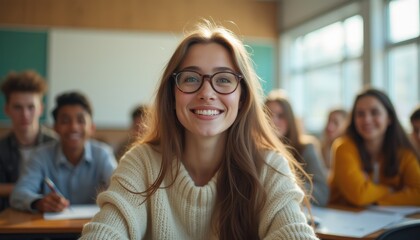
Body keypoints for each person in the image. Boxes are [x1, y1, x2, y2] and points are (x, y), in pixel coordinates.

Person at [80, 21, 318, 239]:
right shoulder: (142, 163)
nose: (207, 92)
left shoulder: (269, 167)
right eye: (191, 78)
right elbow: (107, 230)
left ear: (242, 96)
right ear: (172, 95)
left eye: (224, 79)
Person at [10, 91, 117, 212]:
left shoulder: (103, 154)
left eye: (80, 120)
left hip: (95, 226)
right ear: (55, 127)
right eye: (65, 121)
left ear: (92, 127)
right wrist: (39, 202)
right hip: (53, 229)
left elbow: (120, 189)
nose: (73, 127)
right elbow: (19, 193)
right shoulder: (40, 156)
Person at [329, 88, 420, 207]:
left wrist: (375, 197)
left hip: (391, 221)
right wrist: (391, 190)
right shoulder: (343, 147)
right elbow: (359, 195)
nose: (367, 119)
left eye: (375, 112)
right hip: (343, 219)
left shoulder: (403, 152)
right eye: (360, 114)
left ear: (389, 118)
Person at [0, 70, 58, 212]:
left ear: (41, 109)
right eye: (18, 107)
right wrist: (25, 189)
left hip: (50, 220)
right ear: (7, 109)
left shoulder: (56, 144)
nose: (25, 115)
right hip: (10, 220)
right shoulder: (1, 148)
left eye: (31, 107)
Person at [265, 89, 329, 207]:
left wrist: (285, 183)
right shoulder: (255, 151)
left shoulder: (306, 148)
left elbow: (322, 195)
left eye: (280, 116)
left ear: (290, 119)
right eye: (268, 115)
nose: (273, 121)